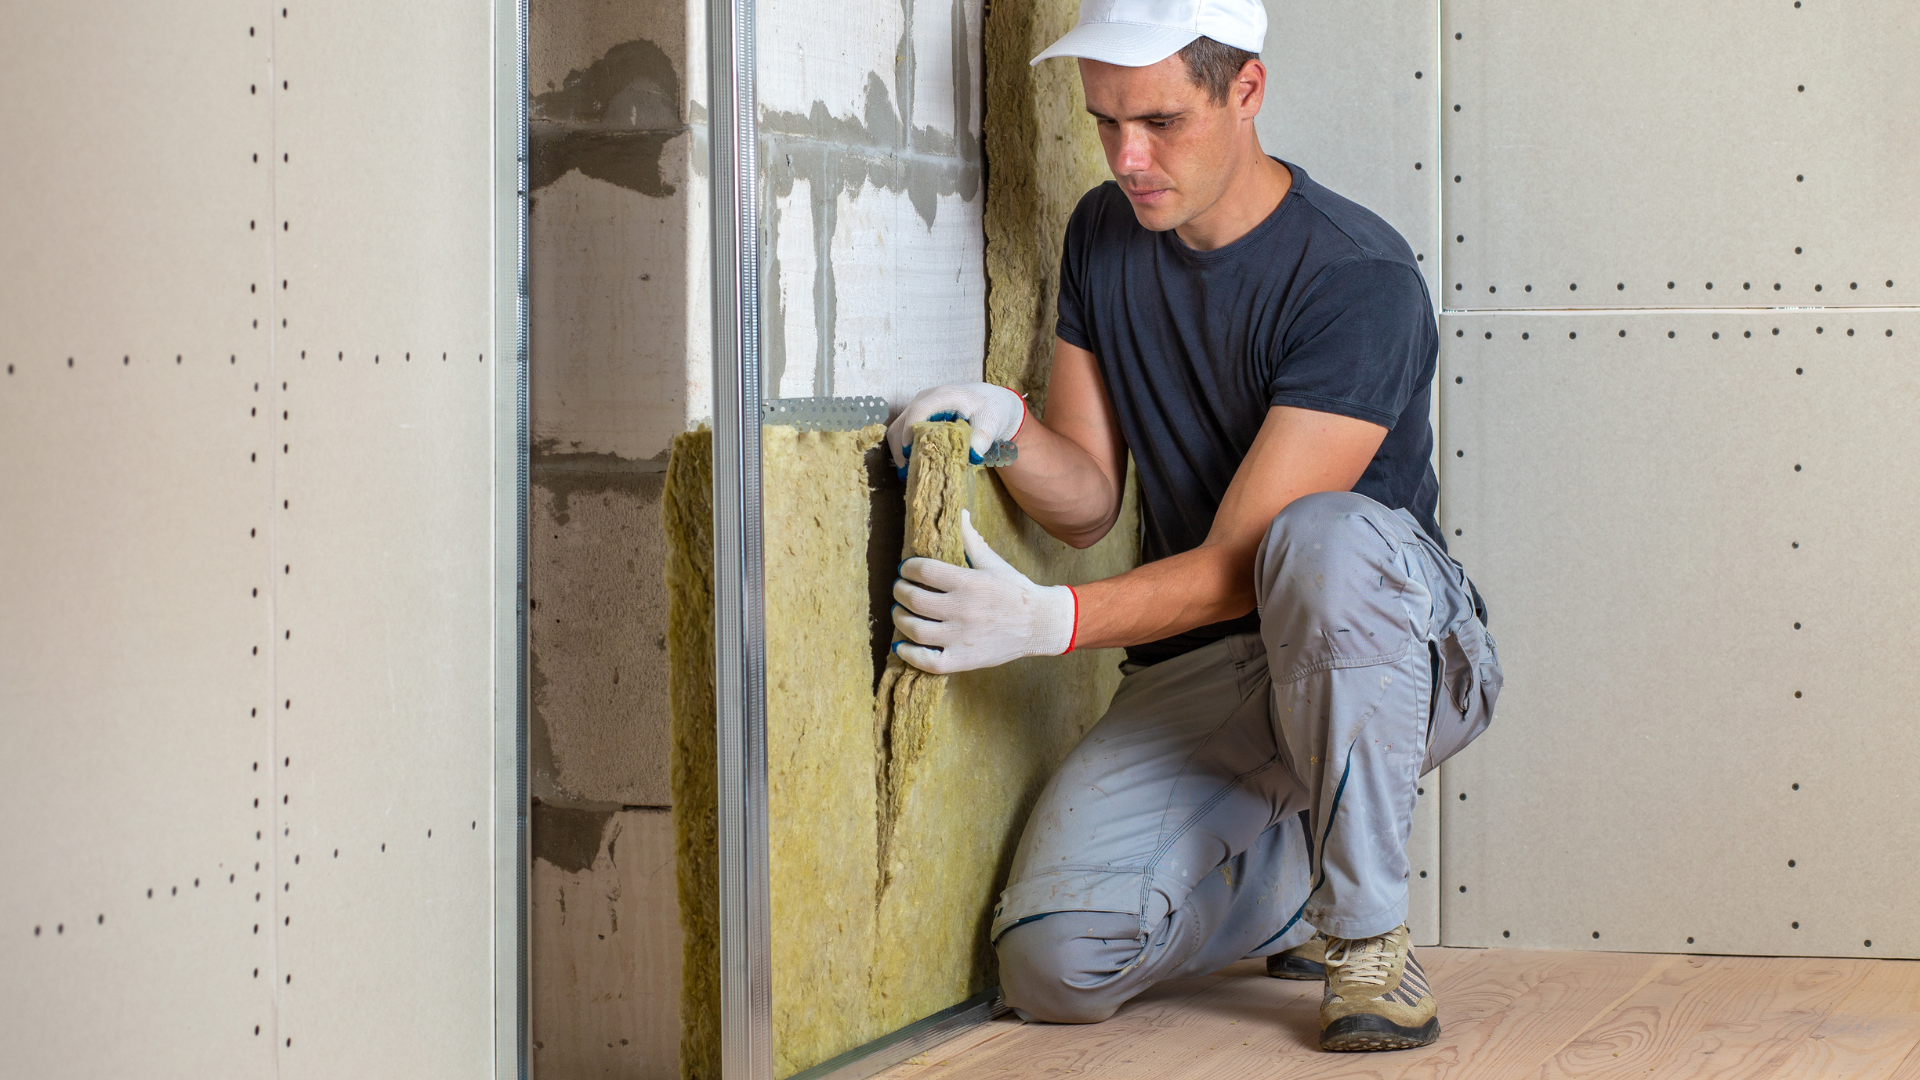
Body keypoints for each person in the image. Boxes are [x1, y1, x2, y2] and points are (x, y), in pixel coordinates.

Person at [883, 0, 1504, 1053]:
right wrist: (1004, 428)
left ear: (1246, 91)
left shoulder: (1357, 276)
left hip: (1387, 645)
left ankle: (1369, 946)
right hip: (1212, 667)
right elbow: (1086, 504)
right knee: (1053, 963)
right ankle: (1299, 887)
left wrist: (1047, 623)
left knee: (1318, 540)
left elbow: (1239, 568)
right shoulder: (1103, 236)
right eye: (1105, 121)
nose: (1129, 156)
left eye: (1162, 121)